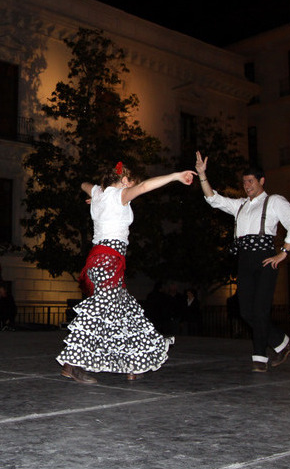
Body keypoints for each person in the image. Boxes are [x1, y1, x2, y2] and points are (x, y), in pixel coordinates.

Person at [57, 161, 196, 384]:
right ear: (124, 180)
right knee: (99, 310)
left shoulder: (101, 193)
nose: (133, 186)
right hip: (110, 259)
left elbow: (84, 184)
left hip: (99, 259)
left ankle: (133, 364)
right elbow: (144, 187)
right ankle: (72, 364)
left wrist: (96, 194)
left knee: (125, 311)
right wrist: (175, 176)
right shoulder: (118, 195)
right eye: (131, 182)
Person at [195, 151, 290, 372]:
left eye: (250, 181)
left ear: (262, 181)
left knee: (261, 310)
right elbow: (213, 199)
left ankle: (260, 358)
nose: (246, 185)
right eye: (244, 182)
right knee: (246, 311)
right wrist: (202, 175)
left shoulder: (274, 201)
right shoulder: (241, 205)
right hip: (244, 260)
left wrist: (284, 252)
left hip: (265, 260)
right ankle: (283, 342)